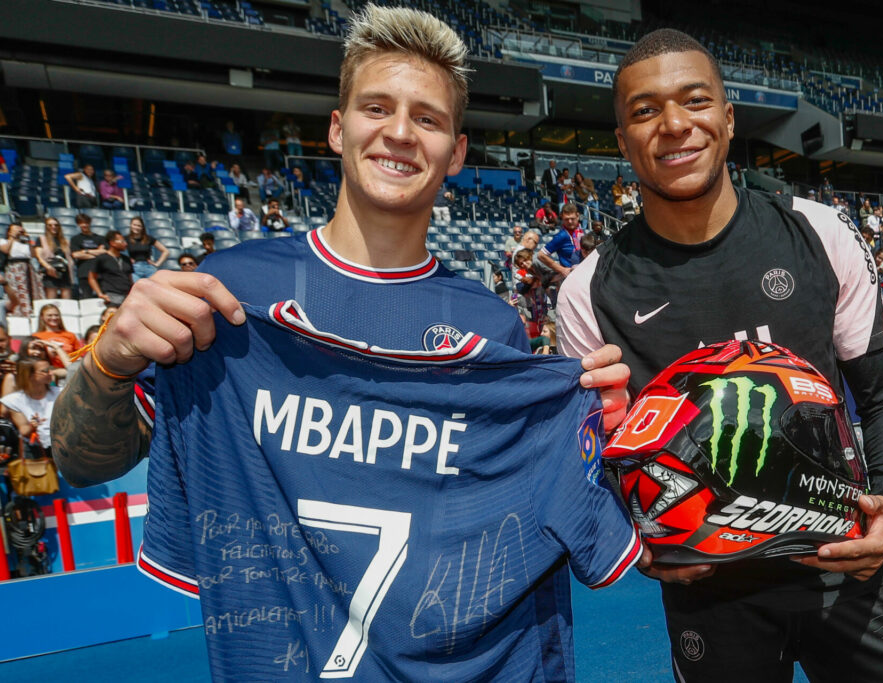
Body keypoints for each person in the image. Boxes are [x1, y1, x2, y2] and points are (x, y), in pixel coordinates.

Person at [51, 6, 641, 681]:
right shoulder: (228, 295)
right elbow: (80, 459)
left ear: (457, 151)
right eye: (376, 107)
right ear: (337, 128)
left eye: (428, 118)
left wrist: (596, 428)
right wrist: (108, 361)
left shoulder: (491, 329)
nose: (399, 132)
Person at [556, 28, 883, 681]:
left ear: (727, 119)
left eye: (694, 101)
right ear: (622, 141)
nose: (674, 125)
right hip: (708, 597)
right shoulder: (589, 291)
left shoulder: (820, 234)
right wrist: (641, 543)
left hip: (845, 565)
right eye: (645, 110)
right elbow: (592, 460)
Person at [0, 358, 59, 453]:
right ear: (29, 375)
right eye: (45, 371)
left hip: (62, 448)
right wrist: (32, 426)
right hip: (35, 451)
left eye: (51, 369)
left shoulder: (61, 393)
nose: (51, 373)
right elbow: (24, 430)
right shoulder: (15, 401)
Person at [0, 222, 45, 317]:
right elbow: (6, 250)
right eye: (14, 229)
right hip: (14, 266)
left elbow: (33, 254)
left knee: (32, 289)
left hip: (27, 265)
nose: (17, 231)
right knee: (17, 290)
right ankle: (19, 312)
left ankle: (32, 311)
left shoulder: (25, 242)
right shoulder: (3, 240)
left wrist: (28, 240)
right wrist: (12, 238)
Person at [88, 230, 133, 304]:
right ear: (112, 243)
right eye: (122, 241)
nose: (125, 243)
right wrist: (100, 294)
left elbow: (130, 278)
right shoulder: (102, 258)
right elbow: (92, 278)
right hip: (111, 295)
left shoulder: (126, 259)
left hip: (127, 296)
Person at [69, 213, 107, 300]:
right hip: (84, 272)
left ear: (90, 223)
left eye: (86, 223)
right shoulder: (75, 239)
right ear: (78, 224)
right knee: (87, 298)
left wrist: (86, 251)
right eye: (81, 223)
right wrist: (96, 252)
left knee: (103, 297)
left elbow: (104, 251)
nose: (84, 225)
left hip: (100, 272)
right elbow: (76, 254)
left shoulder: (100, 238)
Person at [35, 216, 75, 299]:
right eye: (50, 225)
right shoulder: (41, 239)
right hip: (49, 271)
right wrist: (48, 267)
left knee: (67, 299)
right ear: (46, 227)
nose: (53, 227)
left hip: (64, 272)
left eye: (56, 225)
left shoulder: (65, 241)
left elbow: (69, 257)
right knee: (51, 298)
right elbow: (39, 256)